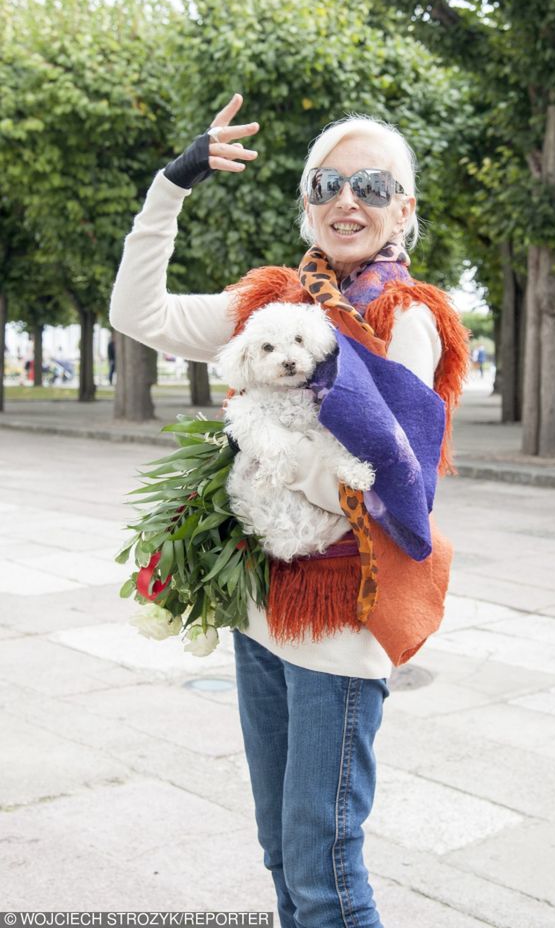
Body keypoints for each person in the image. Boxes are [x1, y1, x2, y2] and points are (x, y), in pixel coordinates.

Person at [109, 93, 469, 927]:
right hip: (262, 607)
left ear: (403, 209)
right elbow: (139, 315)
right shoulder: (276, 304)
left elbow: (387, 470)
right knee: (280, 849)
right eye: (329, 181)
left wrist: (255, 445)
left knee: (324, 868)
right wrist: (172, 185)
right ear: (307, 199)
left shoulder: (406, 317)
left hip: (342, 618)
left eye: (374, 185)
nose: (349, 199)